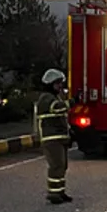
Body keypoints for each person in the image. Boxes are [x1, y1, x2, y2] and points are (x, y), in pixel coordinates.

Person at [35, 68, 72, 204]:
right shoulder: (46, 98)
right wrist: (72, 102)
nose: (60, 86)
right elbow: (57, 108)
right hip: (51, 139)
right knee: (56, 165)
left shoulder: (55, 96)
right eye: (57, 83)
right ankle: (53, 194)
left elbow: (61, 117)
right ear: (50, 84)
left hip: (59, 137)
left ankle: (59, 191)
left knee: (62, 166)